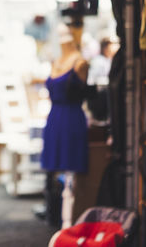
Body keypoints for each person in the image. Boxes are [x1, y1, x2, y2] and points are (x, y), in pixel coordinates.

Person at [41, 23, 89, 228]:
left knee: (73, 171)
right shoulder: (55, 61)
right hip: (54, 120)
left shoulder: (81, 63)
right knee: (52, 171)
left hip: (72, 120)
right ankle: (54, 214)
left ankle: (71, 217)